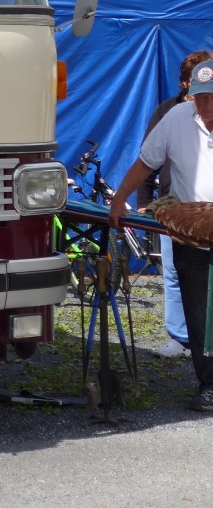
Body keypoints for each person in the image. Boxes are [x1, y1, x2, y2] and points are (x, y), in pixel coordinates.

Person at [110, 57, 213, 411]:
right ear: (190, 94)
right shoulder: (176, 118)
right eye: (201, 98)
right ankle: (209, 385)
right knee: (198, 314)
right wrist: (119, 200)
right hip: (192, 233)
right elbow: (144, 163)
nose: (207, 107)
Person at [137, 49, 213, 356]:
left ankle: (201, 344)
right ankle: (179, 336)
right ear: (185, 84)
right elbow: (146, 160)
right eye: (192, 84)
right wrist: (143, 202)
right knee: (172, 271)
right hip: (174, 206)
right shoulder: (169, 111)